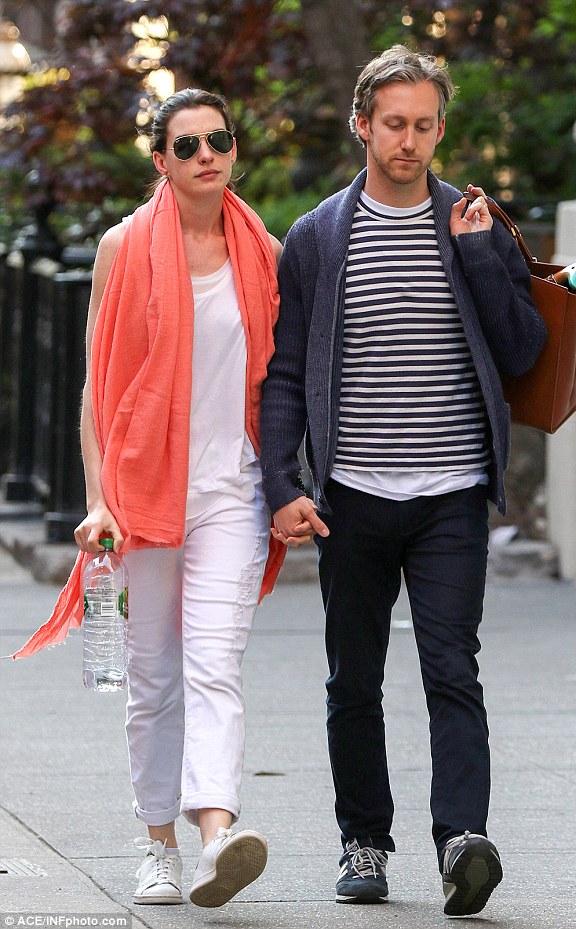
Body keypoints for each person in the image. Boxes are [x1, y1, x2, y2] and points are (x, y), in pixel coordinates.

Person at [260, 46, 547, 917]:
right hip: (352, 497)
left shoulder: (472, 219)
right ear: (362, 124)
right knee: (354, 678)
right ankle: (364, 842)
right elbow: (283, 374)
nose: (410, 142)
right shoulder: (317, 236)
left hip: (452, 492)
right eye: (394, 125)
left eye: (425, 125)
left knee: (452, 666)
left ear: (440, 127)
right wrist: (283, 483)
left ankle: (462, 839)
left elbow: (522, 350)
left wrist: (482, 257)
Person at [15, 88, 285, 907]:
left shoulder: (263, 250)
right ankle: (157, 842)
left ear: (235, 151)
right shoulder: (122, 247)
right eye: (189, 144)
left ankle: (215, 836)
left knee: (213, 660)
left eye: (220, 140)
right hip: (144, 494)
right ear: (162, 161)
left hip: (231, 490)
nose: (208, 155)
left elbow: (285, 380)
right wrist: (98, 499)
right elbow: (99, 388)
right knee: (155, 675)